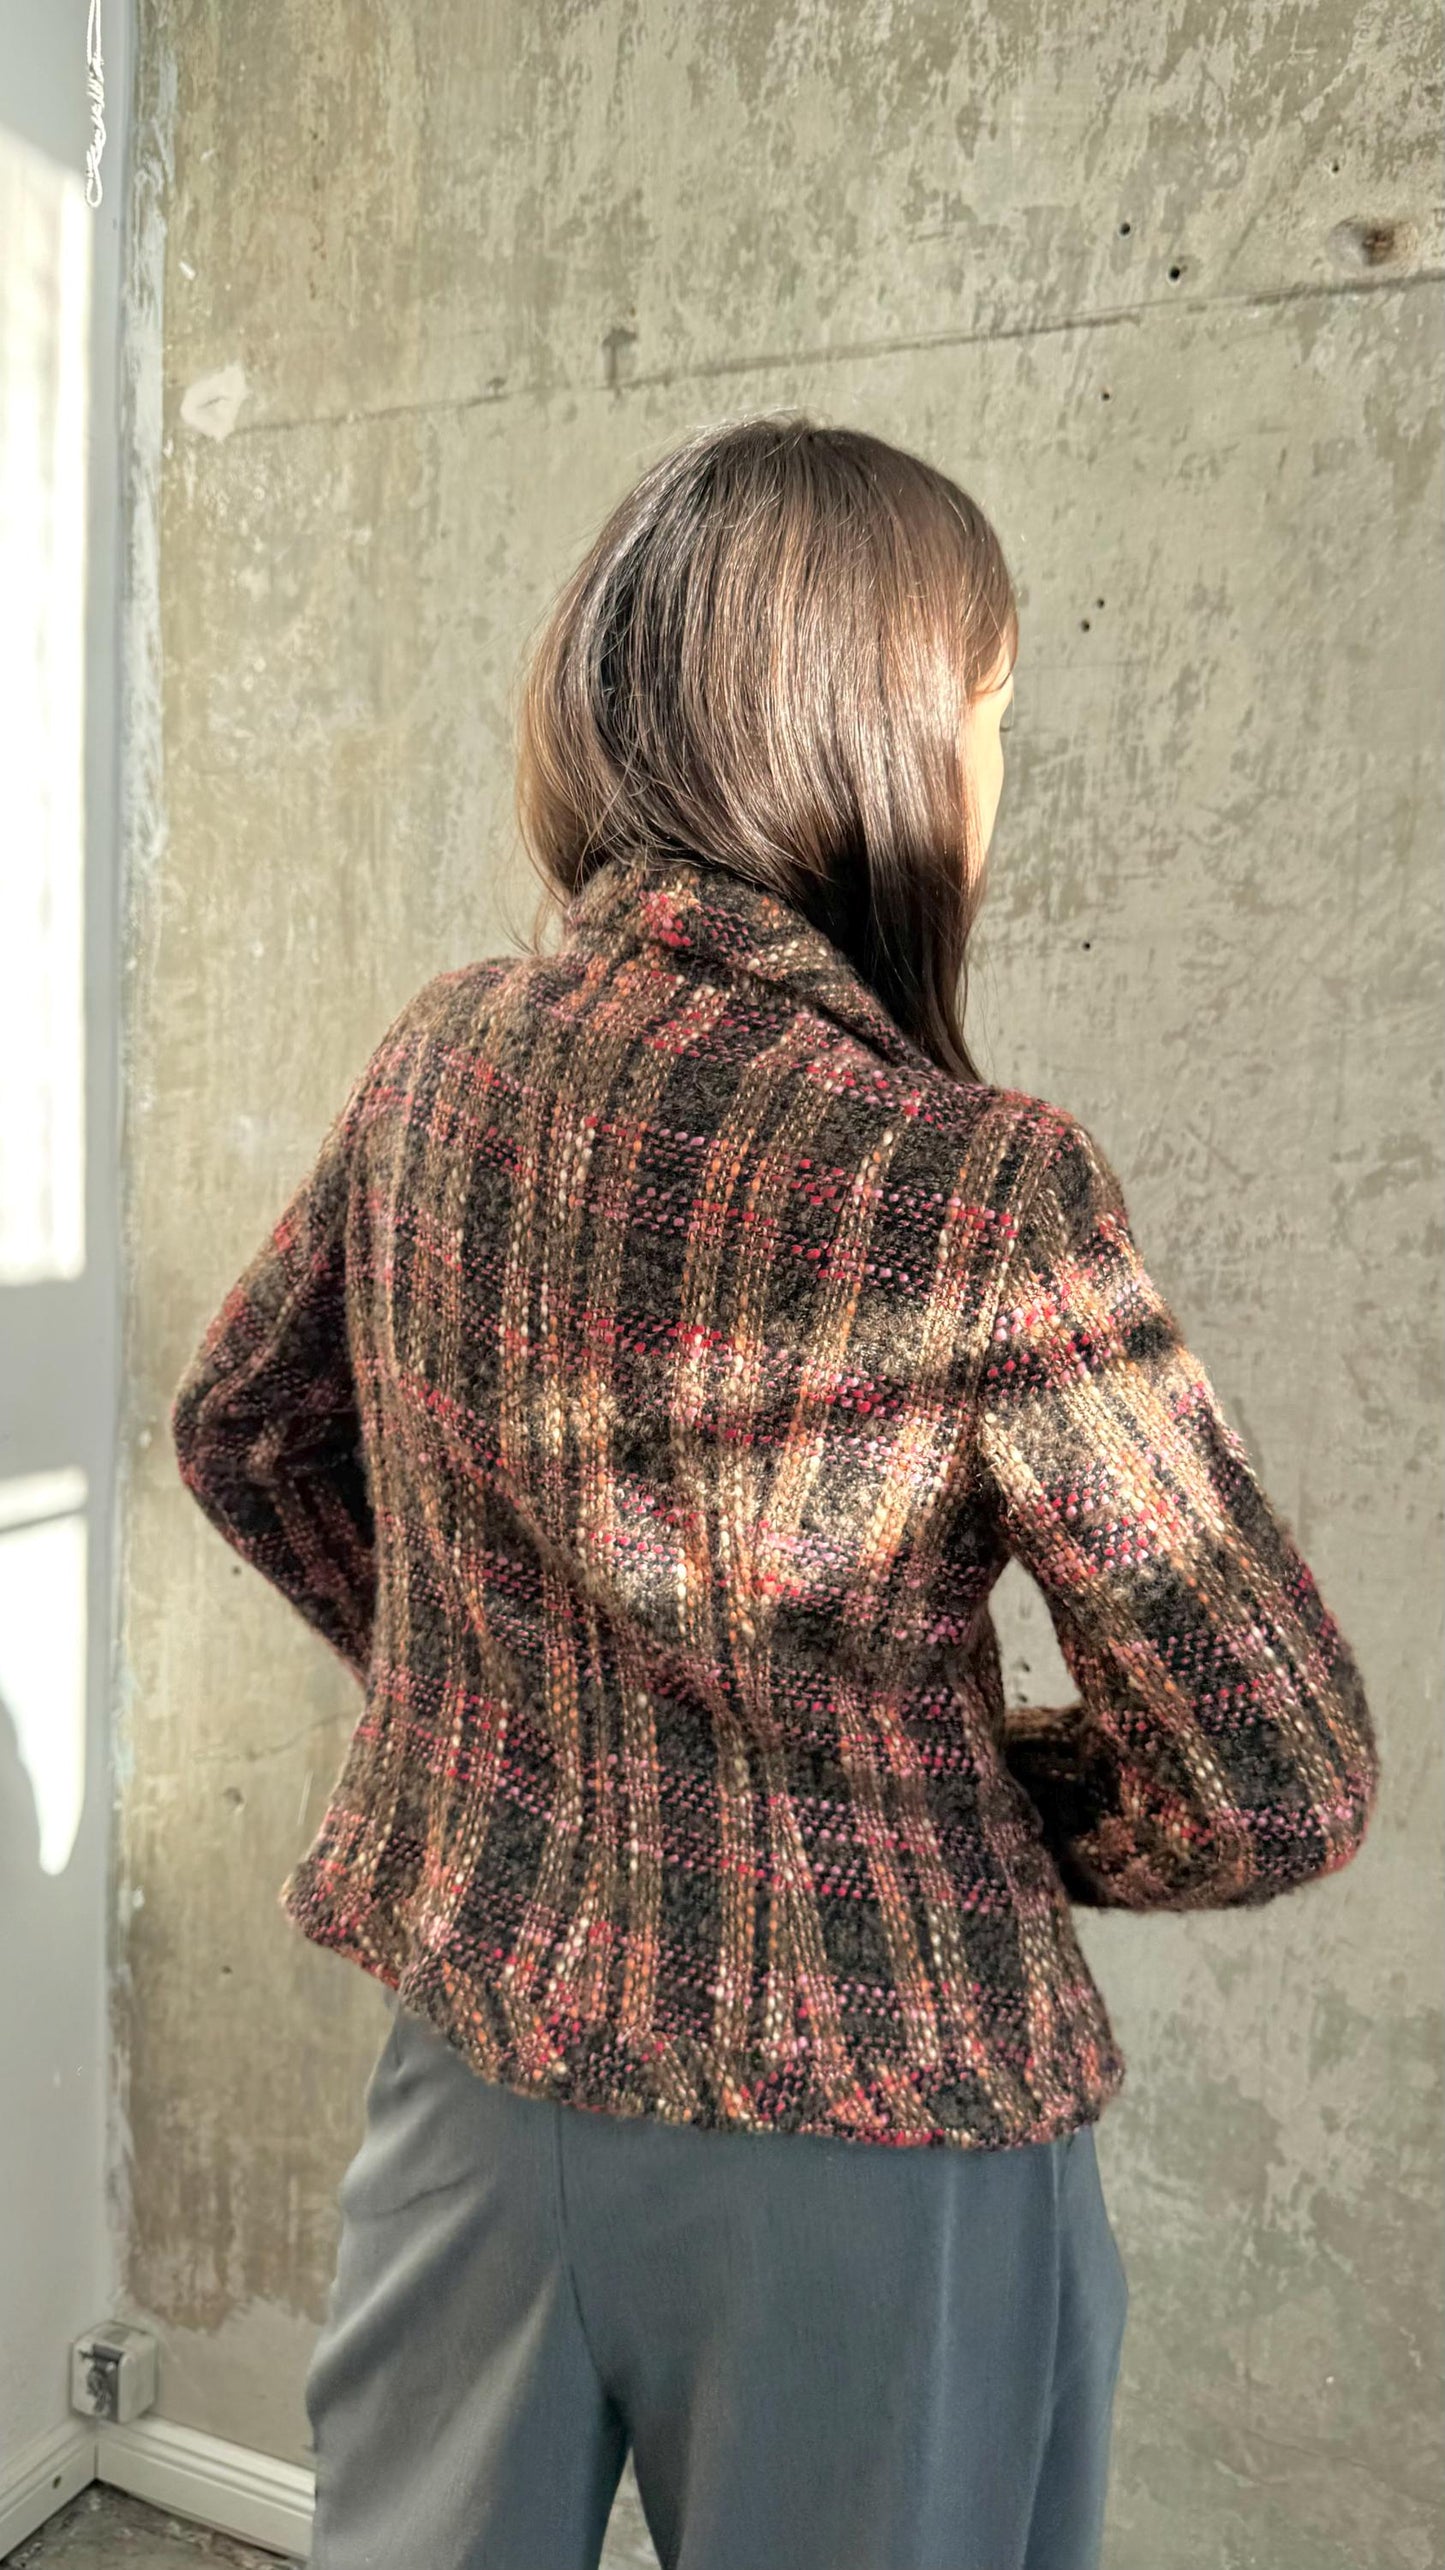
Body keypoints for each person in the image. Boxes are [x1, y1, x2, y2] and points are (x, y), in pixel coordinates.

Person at [168, 415, 1380, 2570]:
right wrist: (955, 1810)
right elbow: (1276, 1768)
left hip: (483, 2065)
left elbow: (243, 1431)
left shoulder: (445, 1054)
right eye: (994, 719)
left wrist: (508, 1723)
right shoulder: (977, 1185)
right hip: (877, 2136)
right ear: (888, 745)